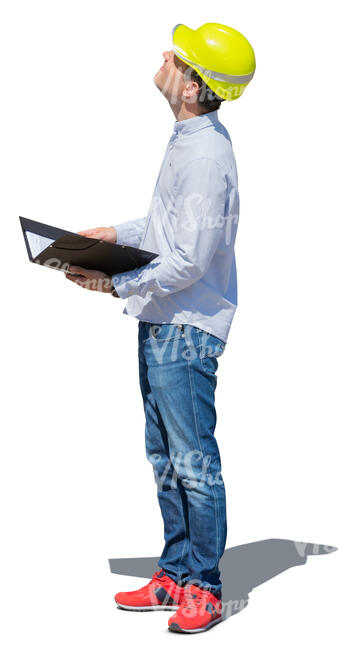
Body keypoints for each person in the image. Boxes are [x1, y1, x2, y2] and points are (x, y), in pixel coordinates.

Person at [65, 22, 255, 634]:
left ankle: (205, 585)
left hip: (187, 327)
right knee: (166, 458)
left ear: (194, 85)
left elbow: (189, 260)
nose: (166, 56)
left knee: (193, 461)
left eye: (180, 56)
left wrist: (113, 282)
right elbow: (166, 230)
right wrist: (113, 237)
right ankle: (175, 574)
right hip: (163, 320)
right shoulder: (188, 140)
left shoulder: (205, 152)